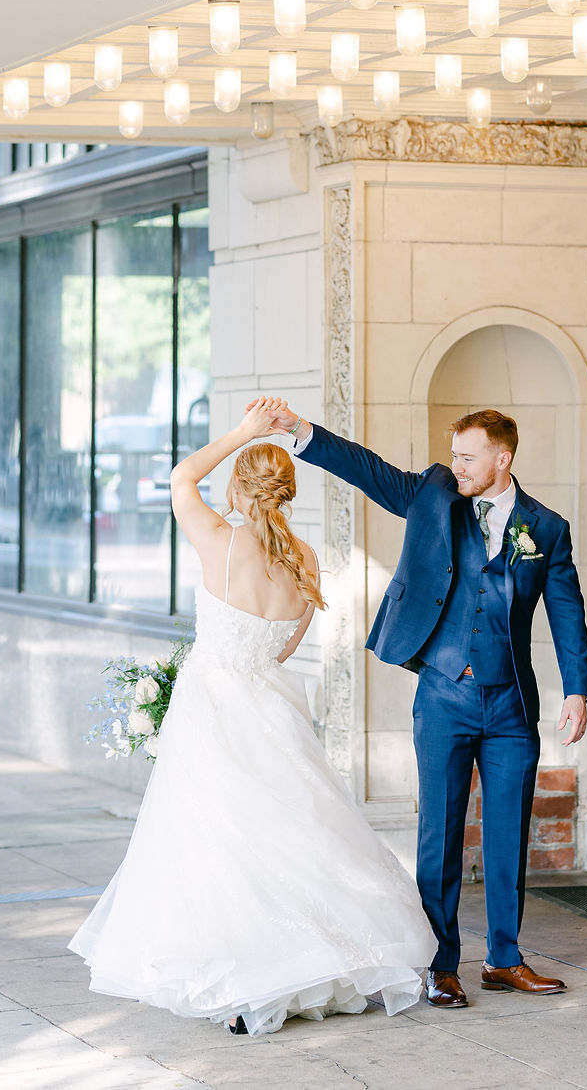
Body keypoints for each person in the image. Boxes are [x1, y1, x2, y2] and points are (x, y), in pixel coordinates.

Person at [68, 398, 436, 1037]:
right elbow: (286, 648)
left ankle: (249, 983)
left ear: (239, 488)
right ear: (288, 492)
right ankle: (310, 966)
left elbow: (182, 478)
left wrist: (241, 432)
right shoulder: (307, 561)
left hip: (213, 708)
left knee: (221, 840)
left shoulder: (219, 539)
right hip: (272, 707)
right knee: (291, 836)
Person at [258, 401, 587, 1009]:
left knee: (509, 829)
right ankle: (440, 962)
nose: (457, 464)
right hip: (444, 694)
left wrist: (577, 689)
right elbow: (370, 470)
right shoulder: (437, 492)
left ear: (502, 459)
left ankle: (504, 958)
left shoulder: (546, 527)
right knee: (438, 831)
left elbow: (567, 611)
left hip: (513, 704)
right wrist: (302, 432)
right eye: (456, 454)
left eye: (469, 456)